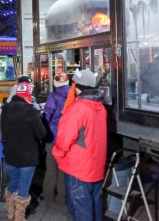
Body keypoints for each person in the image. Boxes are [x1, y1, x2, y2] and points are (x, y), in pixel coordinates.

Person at [52, 69, 107, 221]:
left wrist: (57, 155)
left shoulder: (77, 109)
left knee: (80, 211)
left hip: (78, 169)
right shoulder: (100, 107)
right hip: (95, 167)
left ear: (77, 86)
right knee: (95, 209)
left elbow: (64, 138)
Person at [1, 81, 47, 221]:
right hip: (27, 155)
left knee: (13, 182)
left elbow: (4, 131)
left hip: (10, 154)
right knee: (24, 187)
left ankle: (10, 212)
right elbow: (42, 133)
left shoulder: (6, 109)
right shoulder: (31, 111)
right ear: (27, 94)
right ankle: (19, 217)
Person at [42, 72, 70, 204]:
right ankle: (62, 197)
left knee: (51, 167)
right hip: (67, 137)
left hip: (53, 137)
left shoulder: (53, 96)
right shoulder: (73, 95)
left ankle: (48, 196)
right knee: (63, 168)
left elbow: (47, 116)